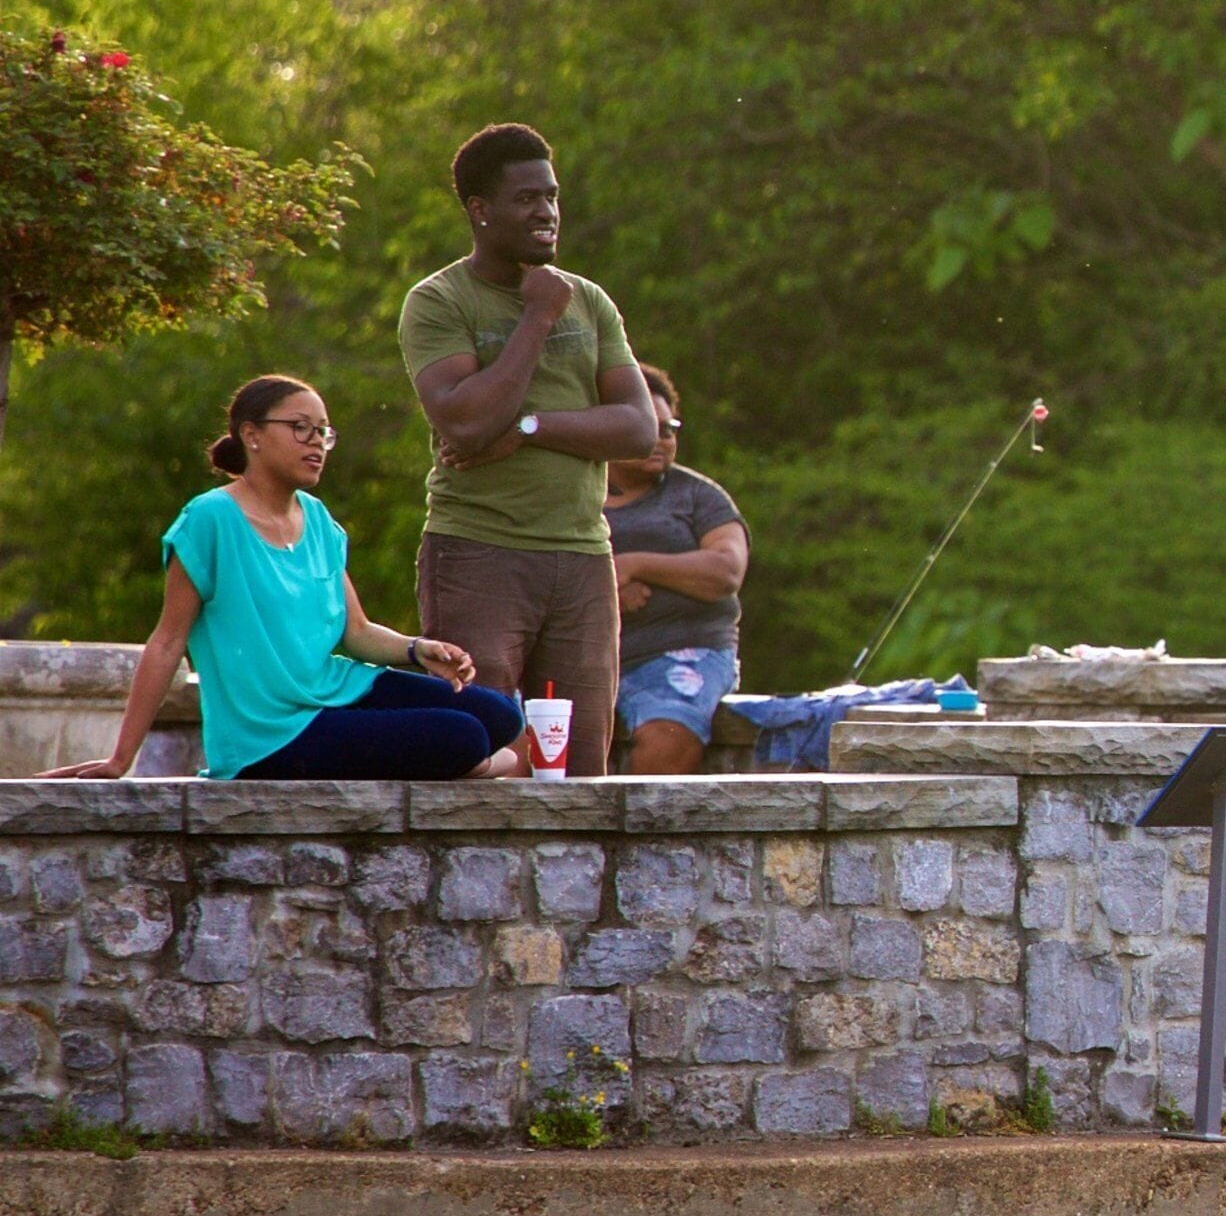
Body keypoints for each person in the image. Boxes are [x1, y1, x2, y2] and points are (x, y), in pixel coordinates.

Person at [48, 377, 525, 783]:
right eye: (300, 428)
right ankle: (470, 760)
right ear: (251, 435)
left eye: (323, 432)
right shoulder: (211, 518)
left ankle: (468, 761)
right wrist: (120, 759)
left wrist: (417, 649)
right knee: (463, 736)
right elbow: (168, 641)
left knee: (501, 716)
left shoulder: (317, 520)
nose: (316, 442)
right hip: (271, 733)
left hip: (335, 692)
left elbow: (356, 633)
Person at [399, 122, 662, 775]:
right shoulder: (439, 301)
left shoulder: (590, 301)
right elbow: (465, 423)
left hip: (580, 555)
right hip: (479, 551)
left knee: (581, 770)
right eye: (526, 199)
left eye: (552, 196)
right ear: (481, 211)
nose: (546, 212)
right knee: (478, 750)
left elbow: (637, 429)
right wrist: (537, 317)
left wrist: (529, 429)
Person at [603, 363, 751, 775]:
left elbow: (725, 571)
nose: (663, 440)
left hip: (683, 655)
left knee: (670, 733)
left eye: (670, 429)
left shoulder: (698, 497)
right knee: (529, 737)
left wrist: (636, 565)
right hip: (585, 656)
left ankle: (633, 838)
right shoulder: (572, 499)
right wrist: (607, 589)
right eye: (650, 428)